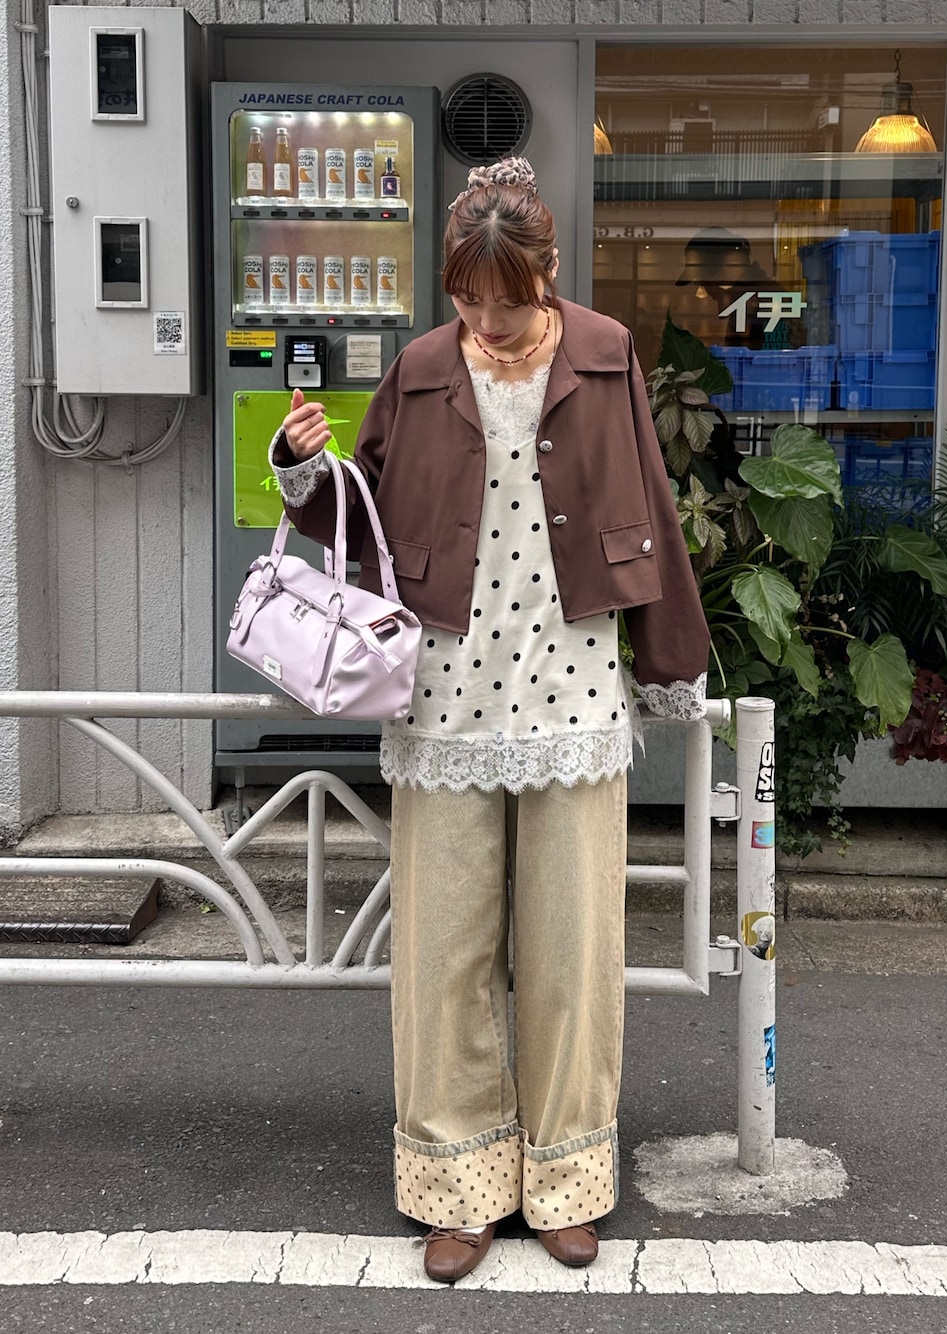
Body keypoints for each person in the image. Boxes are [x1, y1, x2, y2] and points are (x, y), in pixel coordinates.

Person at [268, 157, 710, 1283]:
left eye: (506, 303)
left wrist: (671, 658)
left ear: (547, 275)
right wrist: (304, 469)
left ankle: (566, 1178)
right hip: (444, 692)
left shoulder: (604, 351)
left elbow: (651, 505)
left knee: (572, 952)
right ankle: (456, 1188)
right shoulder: (421, 366)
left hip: (572, 682)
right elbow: (362, 515)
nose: (487, 323)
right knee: (444, 953)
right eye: (468, 300)